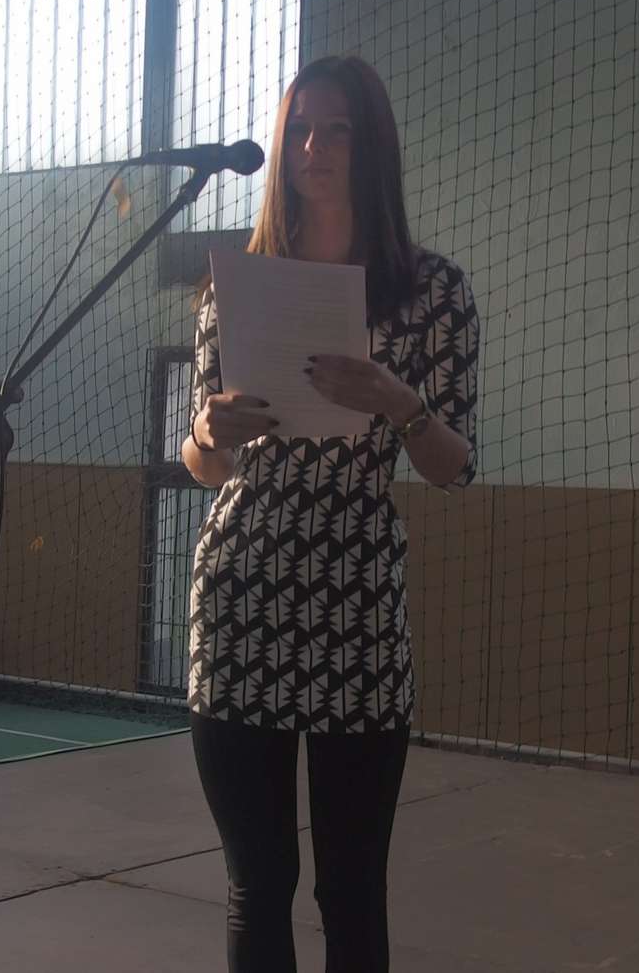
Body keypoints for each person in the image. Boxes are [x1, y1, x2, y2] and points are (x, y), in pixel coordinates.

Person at [181, 54, 479, 973]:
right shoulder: (237, 285)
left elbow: (455, 466)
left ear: (370, 144)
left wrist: (399, 402)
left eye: (337, 129)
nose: (315, 147)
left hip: (357, 608)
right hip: (241, 600)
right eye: (300, 129)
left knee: (351, 890)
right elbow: (206, 465)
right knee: (257, 882)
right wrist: (206, 430)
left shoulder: (433, 291)